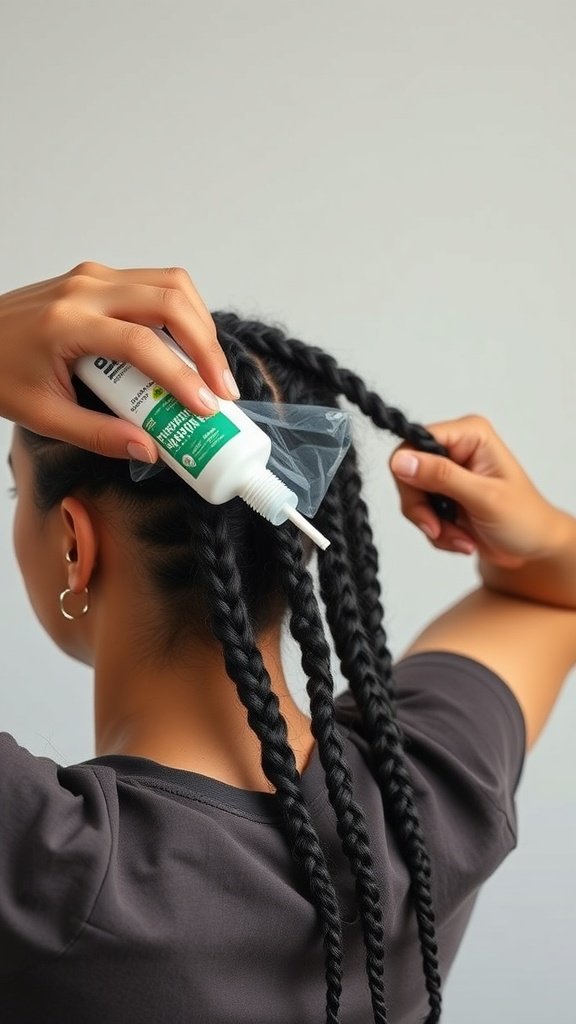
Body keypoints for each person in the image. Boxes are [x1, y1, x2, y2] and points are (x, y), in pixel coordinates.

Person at [0, 262, 574, 1024]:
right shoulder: (429, 794)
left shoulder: (42, 867)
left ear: (76, 544)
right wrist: (548, 536)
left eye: (15, 488)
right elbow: (554, 592)